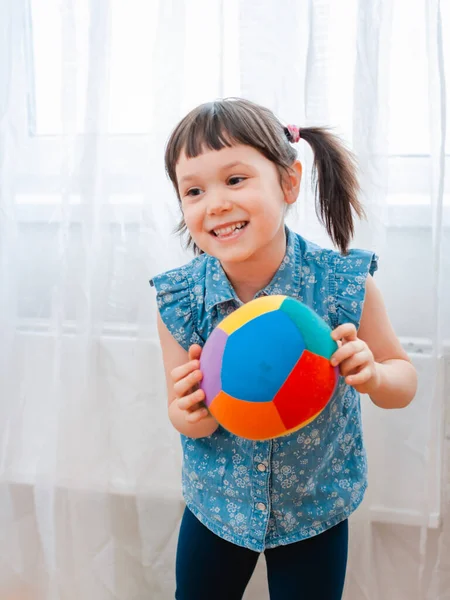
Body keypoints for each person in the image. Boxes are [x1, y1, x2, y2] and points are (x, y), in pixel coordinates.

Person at [150, 98, 417, 600]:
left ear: (289, 182)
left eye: (235, 180)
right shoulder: (182, 302)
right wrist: (190, 410)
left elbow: (402, 381)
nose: (216, 204)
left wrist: (375, 376)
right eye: (194, 190)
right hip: (218, 508)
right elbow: (186, 418)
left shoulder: (342, 287)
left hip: (314, 511)